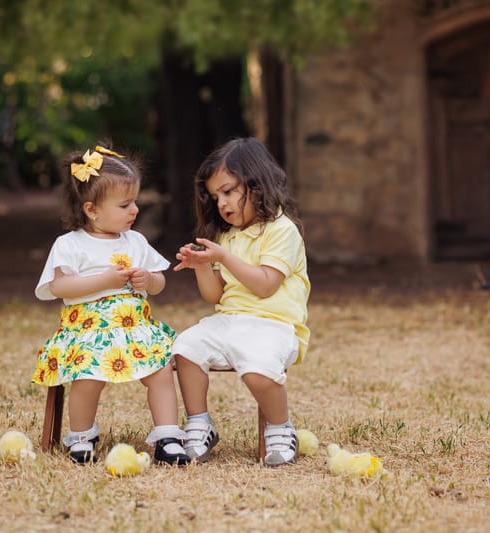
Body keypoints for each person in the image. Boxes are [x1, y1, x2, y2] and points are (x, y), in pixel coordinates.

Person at [32, 144, 190, 466]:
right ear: (92, 209)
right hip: (89, 329)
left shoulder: (135, 242)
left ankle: (168, 435)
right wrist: (104, 281)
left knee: (160, 371)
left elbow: (160, 282)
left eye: (135, 202)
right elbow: (59, 286)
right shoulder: (71, 244)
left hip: (135, 327)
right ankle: (81, 436)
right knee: (87, 376)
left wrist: (148, 280)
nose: (134, 210)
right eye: (125, 204)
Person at [172, 137, 311, 467]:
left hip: (274, 326)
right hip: (230, 321)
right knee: (185, 348)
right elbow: (216, 296)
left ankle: (280, 428)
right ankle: (199, 423)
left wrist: (224, 257)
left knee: (257, 372)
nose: (222, 202)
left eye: (229, 190)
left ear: (257, 183)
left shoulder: (281, 230)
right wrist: (204, 265)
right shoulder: (227, 235)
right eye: (216, 196)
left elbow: (265, 285)